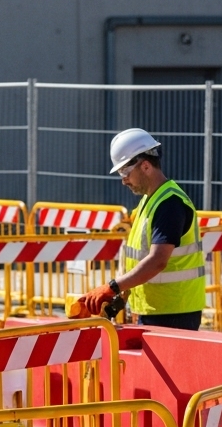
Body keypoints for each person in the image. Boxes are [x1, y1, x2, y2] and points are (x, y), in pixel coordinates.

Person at [80, 128, 205, 329]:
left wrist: (112, 287)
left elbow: (157, 261)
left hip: (174, 313)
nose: (123, 180)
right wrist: (120, 298)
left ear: (145, 166)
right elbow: (140, 258)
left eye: (125, 172)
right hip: (157, 310)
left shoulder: (170, 204)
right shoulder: (150, 201)